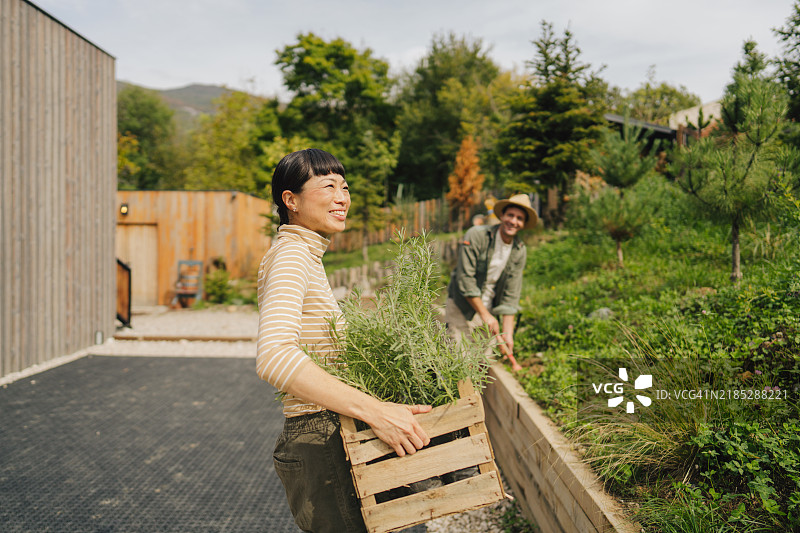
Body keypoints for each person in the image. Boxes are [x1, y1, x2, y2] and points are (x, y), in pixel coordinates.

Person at [256, 148, 431, 533]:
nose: (342, 197)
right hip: (319, 441)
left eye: (345, 186)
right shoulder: (291, 256)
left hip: (329, 434)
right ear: (291, 200)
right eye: (329, 185)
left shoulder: (306, 254)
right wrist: (376, 411)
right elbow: (273, 355)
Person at [446, 194, 539, 372]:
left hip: (487, 310)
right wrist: (485, 315)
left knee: (482, 365)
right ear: (502, 216)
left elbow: (510, 296)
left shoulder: (519, 251)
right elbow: (465, 279)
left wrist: (507, 335)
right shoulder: (477, 235)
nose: (513, 221)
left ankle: (474, 400)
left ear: (524, 224)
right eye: (510, 215)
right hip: (461, 306)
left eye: (519, 218)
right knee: (458, 361)